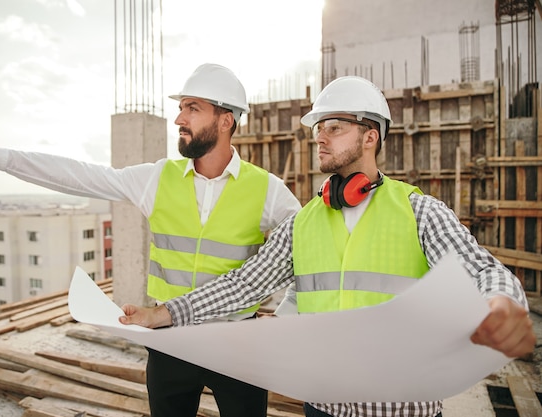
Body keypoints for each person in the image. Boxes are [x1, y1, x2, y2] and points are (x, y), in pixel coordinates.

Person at [117, 76, 537, 417]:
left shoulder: (419, 212)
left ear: (370, 136)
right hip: (323, 406)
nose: (320, 138)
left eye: (334, 127)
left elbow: (484, 270)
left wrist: (503, 302)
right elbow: (242, 285)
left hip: (400, 407)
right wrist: (165, 313)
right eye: (319, 129)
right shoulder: (305, 222)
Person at [0, 63, 302, 417]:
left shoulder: (267, 190)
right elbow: (74, 175)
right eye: (181, 107)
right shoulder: (157, 178)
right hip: (169, 340)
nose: (179, 118)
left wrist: (284, 318)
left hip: (238, 342)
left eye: (192, 108)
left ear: (226, 120)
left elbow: (307, 255)